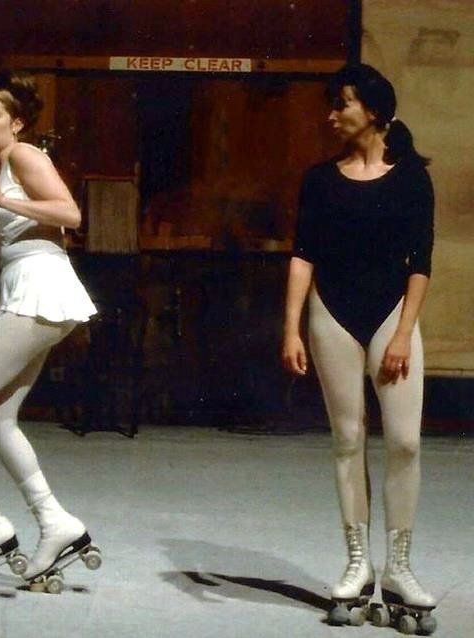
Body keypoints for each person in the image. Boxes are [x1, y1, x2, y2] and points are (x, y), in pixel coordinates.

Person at [281, 63, 437, 631]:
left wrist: (402, 333)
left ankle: (399, 566)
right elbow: (303, 255)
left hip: (391, 315)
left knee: (405, 443)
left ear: (372, 110)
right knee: (348, 440)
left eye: (340, 104)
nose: (331, 115)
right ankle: (357, 562)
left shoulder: (411, 178)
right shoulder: (320, 180)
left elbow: (421, 263)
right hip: (332, 314)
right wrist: (291, 328)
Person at [0, 68, 101, 596]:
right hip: (19, 286)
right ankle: (56, 522)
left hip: (42, 286)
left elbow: (70, 214)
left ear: (16, 123)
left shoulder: (25, 155)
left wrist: (1, 197)